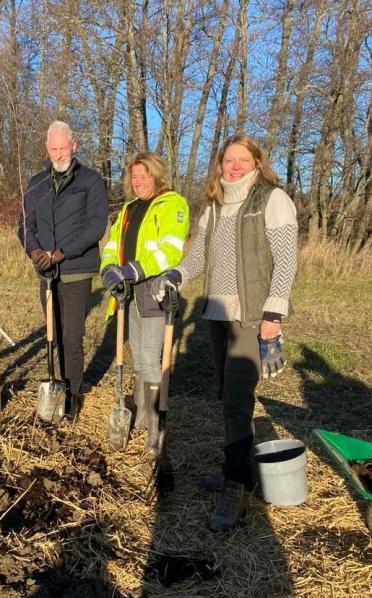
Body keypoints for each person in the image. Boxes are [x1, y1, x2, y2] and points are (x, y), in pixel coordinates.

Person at [154, 134, 298, 531]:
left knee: (236, 400)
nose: (234, 166)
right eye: (228, 160)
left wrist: (273, 315)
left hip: (251, 318)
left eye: (242, 159)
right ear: (219, 165)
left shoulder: (271, 200)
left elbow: (286, 261)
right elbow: (199, 254)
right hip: (216, 316)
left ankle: (235, 487)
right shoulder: (214, 208)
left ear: (256, 163)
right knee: (226, 395)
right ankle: (240, 470)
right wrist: (176, 275)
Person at [17, 121, 109, 420]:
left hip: (76, 271)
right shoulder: (36, 183)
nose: (58, 153)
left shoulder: (91, 181)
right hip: (46, 273)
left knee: (71, 337)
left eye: (63, 147)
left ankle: (73, 394)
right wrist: (34, 251)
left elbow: (96, 225)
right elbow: (25, 225)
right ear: (47, 148)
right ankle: (56, 386)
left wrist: (62, 253)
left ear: (74, 145)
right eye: (53, 148)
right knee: (52, 335)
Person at [100, 152, 190, 453]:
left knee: (150, 357)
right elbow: (112, 245)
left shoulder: (172, 205)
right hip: (128, 291)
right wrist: (110, 269)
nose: (138, 182)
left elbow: (170, 250)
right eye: (134, 177)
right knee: (137, 355)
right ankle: (139, 415)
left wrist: (135, 269)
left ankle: (154, 427)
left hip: (153, 290)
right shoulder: (127, 209)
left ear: (156, 176)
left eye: (144, 176)